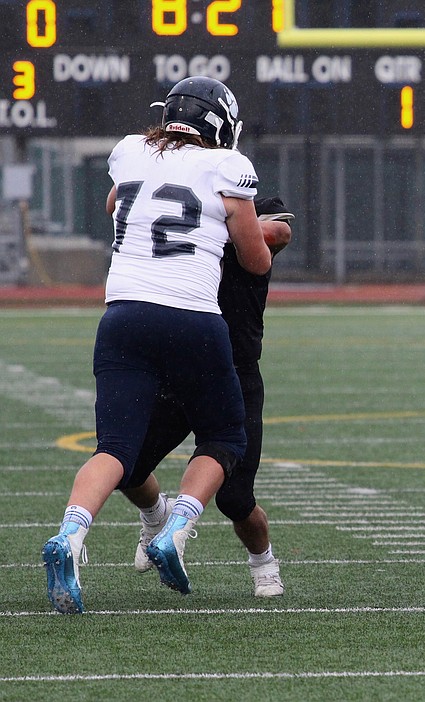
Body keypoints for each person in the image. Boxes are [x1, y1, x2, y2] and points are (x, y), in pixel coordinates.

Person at [40, 76, 275, 614]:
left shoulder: (128, 152)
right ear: (222, 126)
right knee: (223, 436)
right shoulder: (228, 167)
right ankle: (176, 529)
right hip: (192, 318)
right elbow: (255, 260)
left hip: (122, 315)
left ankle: (70, 537)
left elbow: (113, 205)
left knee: (114, 449)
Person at [119, 196, 294, 598]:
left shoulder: (235, 212)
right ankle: (154, 515)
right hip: (181, 370)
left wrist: (207, 225)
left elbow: (279, 230)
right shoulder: (188, 224)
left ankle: (263, 560)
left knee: (235, 499)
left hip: (236, 375)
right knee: (125, 465)